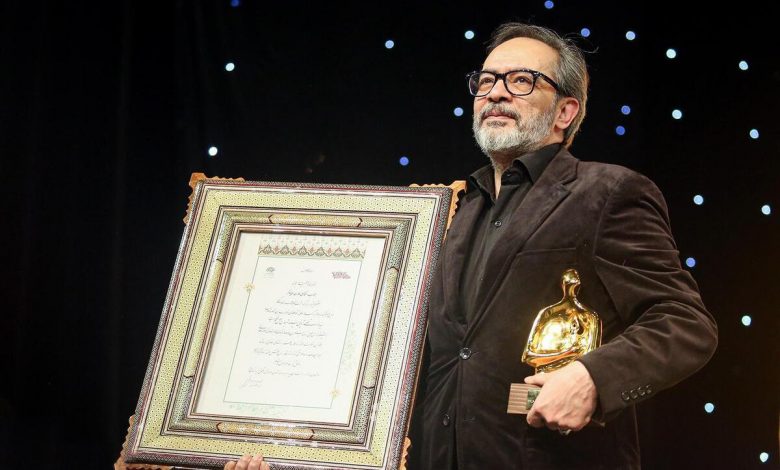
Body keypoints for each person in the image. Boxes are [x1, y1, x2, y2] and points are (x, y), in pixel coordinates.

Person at [405, 22, 718, 469]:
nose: (496, 93)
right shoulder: (450, 210)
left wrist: (594, 379)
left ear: (565, 111)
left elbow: (685, 323)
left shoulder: (607, 193)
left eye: (521, 80)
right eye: (486, 81)